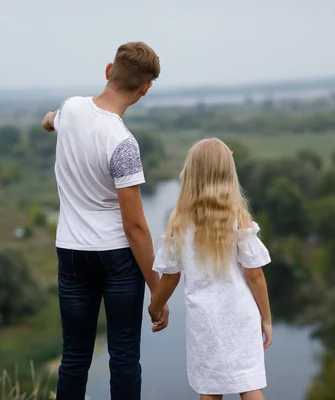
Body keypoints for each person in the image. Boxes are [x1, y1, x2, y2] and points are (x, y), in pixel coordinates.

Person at [41, 42, 169, 400]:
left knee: (75, 356)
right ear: (145, 89)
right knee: (124, 356)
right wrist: (158, 291)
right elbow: (135, 227)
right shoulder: (123, 143)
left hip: (71, 252)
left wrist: (50, 121)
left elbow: (51, 119)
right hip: (117, 257)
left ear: (108, 70)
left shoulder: (71, 109)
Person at [148, 138, 273, 400]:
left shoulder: (179, 222)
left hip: (204, 319)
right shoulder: (239, 217)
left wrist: (155, 306)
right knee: (249, 385)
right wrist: (266, 318)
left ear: (190, 174)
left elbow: (170, 276)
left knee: (210, 388)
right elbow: (255, 274)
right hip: (241, 314)